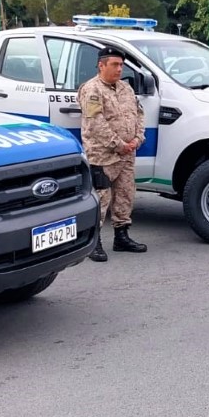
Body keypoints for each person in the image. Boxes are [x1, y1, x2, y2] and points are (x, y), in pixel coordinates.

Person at [78, 46, 148, 261]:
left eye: (121, 65)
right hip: (103, 154)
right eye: (115, 65)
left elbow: (139, 114)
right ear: (101, 65)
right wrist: (119, 144)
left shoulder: (125, 88)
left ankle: (121, 236)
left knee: (125, 194)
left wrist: (138, 138)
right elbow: (95, 123)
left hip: (127, 153)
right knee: (101, 199)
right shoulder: (92, 90)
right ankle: (93, 243)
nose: (119, 69)